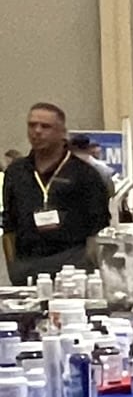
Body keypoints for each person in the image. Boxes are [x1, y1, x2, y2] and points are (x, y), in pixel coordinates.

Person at [2, 102, 111, 279]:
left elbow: (98, 226)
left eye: (45, 126)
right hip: (26, 265)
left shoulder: (85, 174)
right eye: (32, 125)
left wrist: (91, 266)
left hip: (72, 265)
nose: (37, 131)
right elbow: (9, 224)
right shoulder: (16, 172)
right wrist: (13, 267)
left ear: (62, 132)